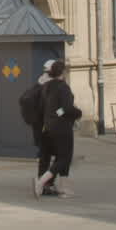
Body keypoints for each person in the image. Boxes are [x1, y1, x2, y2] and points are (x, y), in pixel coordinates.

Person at [33, 59, 80, 199]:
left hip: (48, 127)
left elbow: (45, 108)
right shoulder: (63, 87)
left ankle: (65, 189)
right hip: (62, 127)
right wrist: (78, 113)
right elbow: (66, 108)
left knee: (61, 157)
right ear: (63, 72)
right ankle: (41, 182)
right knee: (64, 158)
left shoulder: (46, 86)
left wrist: (54, 114)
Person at [31, 60, 58, 197]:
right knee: (60, 157)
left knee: (44, 156)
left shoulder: (40, 81)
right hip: (49, 125)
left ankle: (43, 182)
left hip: (40, 125)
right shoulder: (52, 85)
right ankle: (45, 183)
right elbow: (59, 108)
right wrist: (63, 114)